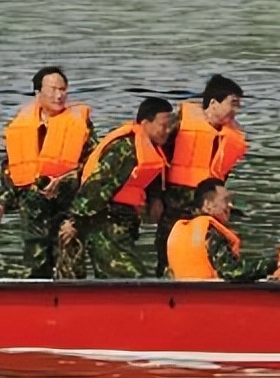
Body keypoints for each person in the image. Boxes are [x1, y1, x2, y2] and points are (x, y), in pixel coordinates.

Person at [0, 67, 95, 278]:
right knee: (35, 271)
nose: (59, 95)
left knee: (70, 271)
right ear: (38, 93)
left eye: (63, 89)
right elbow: (12, 171)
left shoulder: (80, 123)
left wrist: (64, 180)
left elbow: (93, 167)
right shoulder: (20, 125)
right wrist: (1, 204)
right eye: (53, 89)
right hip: (34, 212)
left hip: (68, 209)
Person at [58, 97, 173, 279]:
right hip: (105, 226)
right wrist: (74, 222)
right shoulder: (125, 149)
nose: (167, 131)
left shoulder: (149, 148)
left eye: (169, 126)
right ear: (145, 123)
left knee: (117, 279)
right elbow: (97, 185)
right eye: (163, 126)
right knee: (134, 279)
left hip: (123, 225)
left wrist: (155, 199)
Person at [156, 74, 247, 276]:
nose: (236, 110)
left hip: (207, 206)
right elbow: (157, 157)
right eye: (233, 103)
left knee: (210, 253)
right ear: (213, 103)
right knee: (168, 255)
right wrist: (154, 197)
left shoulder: (231, 137)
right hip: (175, 205)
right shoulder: (180, 123)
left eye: (238, 105)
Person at [165, 178, 249, 281]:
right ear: (207, 204)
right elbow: (233, 272)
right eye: (225, 200)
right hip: (210, 290)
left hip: (182, 289)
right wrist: (265, 269)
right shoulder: (212, 232)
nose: (230, 205)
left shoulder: (178, 230)